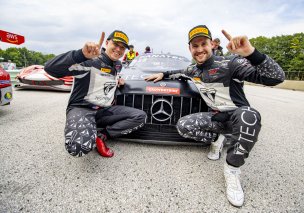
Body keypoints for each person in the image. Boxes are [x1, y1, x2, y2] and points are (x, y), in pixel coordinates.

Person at [145, 25, 285, 207]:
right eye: (195, 46)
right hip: (216, 119)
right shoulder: (193, 70)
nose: (200, 49)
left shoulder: (231, 63)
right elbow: (178, 73)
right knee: (183, 126)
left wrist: (251, 53)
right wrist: (163, 73)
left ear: (212, 44)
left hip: (237, 118)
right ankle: (217, 139)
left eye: (203, 43)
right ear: (190, 49)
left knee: (250, 116)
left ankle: (232, 170)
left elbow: (276, 78)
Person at [45, 30, 147, 158]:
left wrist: (117, 81)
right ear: (107, 42)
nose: (118, 49)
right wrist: (80, 55)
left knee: (140, 117)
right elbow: (49, 68)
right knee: (78, 147)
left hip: (104, 111)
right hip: (82, 109)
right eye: (115, 44)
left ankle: (101, 136)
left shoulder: (118, 65)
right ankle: (88, 129)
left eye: (122, 47)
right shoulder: (90, 60)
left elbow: (107, 76)